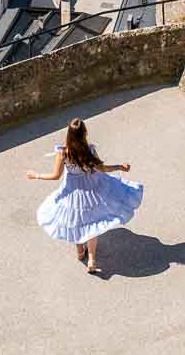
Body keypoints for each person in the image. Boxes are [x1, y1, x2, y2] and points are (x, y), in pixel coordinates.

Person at [26, 117, 142, 275]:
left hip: (72, 192)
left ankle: (80, 252)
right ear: (84, 133)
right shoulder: (89, 150)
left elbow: (55, 176)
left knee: (76, 222)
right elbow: (103, 169)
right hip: (93, 189)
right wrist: (119, 166)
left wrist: (36, 175)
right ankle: (92, 260)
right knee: (91, 223)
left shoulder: (63, 153)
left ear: (68, 134)